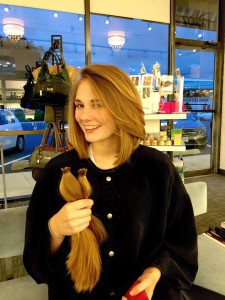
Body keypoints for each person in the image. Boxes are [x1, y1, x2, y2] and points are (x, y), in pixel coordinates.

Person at [23, 64, 198, 300]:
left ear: (122, 105)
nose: (84, 116)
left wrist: (156, 272)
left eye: (97, 104)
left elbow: (180, 241)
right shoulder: (57, 172)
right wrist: (55, 230)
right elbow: (36, 266)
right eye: (79, 105)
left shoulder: (157, 169)